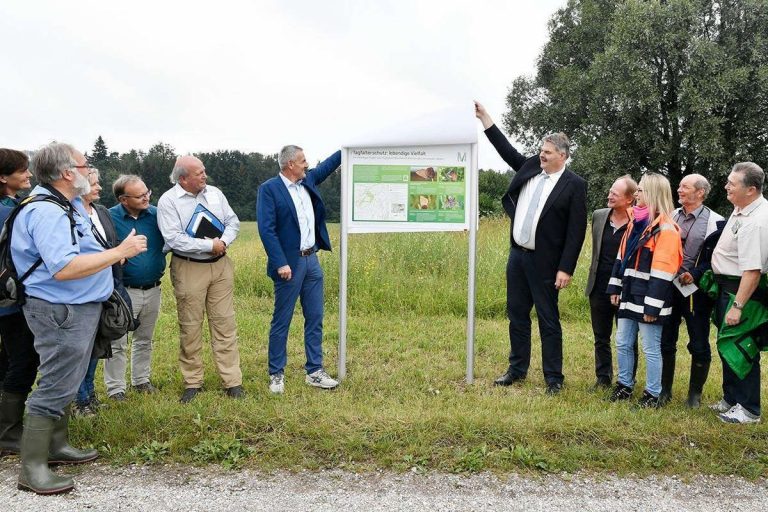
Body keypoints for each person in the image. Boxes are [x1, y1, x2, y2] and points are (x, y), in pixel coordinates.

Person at [10, 142, 146, 494]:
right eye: (85, 166)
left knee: (66, 382)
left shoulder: (65, 205)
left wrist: (109, 256)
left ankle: (56, 447)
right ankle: (32, 469)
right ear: (68, 173)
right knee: (56, 384)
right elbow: (65, 268)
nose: (89, 171)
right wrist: (120, 252)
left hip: (76, 307)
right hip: (61, 311)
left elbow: (81, 252)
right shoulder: (47, 212)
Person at [475, 101, 587, 395]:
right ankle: (517, 369)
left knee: (548, 320)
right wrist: (486, 119)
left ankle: (554, 378)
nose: (542, 154)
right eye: (541, 150)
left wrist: (566, 268)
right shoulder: (529, 168)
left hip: (547, 263)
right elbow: (506, 150)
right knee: (517, 315)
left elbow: (576, 232)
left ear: (562, 156)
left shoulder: (574, 185)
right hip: (518, 257)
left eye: (547, 152)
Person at [157, 155, 244, 403]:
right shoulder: (168, 201)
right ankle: (193, 382)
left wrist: (223, 242)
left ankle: (232, 381)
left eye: (204, 171)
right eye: (199, 173)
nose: (204, 176)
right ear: (183, 178)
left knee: (225, 324)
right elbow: (173, 238)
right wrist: (210, 246)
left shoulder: (215, 193)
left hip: (220, 266)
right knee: (191, 326)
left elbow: (233, 222)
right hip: (189, 267)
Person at [257, 145, 341, 394]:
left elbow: (327, 165)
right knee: (282, 320)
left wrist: (346, 148)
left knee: (315, 317)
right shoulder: (269, 189)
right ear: (290, 164)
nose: (307, 164)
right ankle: (276, 374)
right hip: (289, 264)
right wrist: (280, 262)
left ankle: (314, 371)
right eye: (303, 161)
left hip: (312, 260)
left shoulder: (308, 180)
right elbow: (267, 229)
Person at [607, 173, 683, 408]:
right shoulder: (635, 223)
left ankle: (653, 394)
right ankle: (624, 385)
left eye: (640, 190)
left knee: (650, 347)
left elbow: (663, 273)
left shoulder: (666, 229)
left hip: (649, 299)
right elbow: (621, 259)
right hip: (629, 294)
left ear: (652, 194)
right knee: (622, 341)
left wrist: (652, 307)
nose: (636, 194)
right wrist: (615, 286)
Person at [708, 162, 768, 424]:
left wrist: (739, 306)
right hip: (726, 288)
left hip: (742, 294)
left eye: (732, 184)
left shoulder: (757, 221)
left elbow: (753, 271)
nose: (726, 187)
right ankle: (731, 399)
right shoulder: (741, 209)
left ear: (751, 189)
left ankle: (749, 409)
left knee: (741, 347)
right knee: (726, 345)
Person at [659, 174, 723, 406]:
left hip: (696, 292)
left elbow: (716, 259)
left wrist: (694, 274)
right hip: (668, 288)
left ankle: (694, 395)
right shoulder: (670, 215)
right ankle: (664, 391)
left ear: (700, 193)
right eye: (679, 186)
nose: (679, 190)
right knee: (666, 338)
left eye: (684, 187)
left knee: (698, 341)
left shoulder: (716, 222)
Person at [104, 175, 166, 401]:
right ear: (123, 199)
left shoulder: (157, 214)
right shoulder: (109, 218)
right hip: (123, 290)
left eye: (147, 192)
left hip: (153, 288)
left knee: (144, 338)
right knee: (118, 341)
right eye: (140, 196)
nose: (146, 198)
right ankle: (116, 388)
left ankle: (141, 381)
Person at [73, 169, 121, 416]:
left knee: (97, 345)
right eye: (94, 183)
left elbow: (109, 244)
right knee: (81, 348)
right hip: (82, 290)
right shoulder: (69, 213)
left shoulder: (101, 212)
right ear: (79, 186)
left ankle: (90, 395)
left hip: (105, 288)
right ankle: (79, 401)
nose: (100, 188)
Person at [0, 149, 37, 456]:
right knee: (23, 361)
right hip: (10, 300)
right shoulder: (9, 211)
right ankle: (9, 433)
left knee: (8, 361)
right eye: (22, 171)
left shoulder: (11, 205)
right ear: (3, 177)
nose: (28, 175)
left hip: (6, 298)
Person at [585, 175, 637, 389]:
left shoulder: (638, 221)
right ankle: (603, 377)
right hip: (599, 284)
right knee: (601, 335)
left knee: (627, 339)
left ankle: (627, 379)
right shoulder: (599, 216)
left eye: (615, 194)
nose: (609, 196)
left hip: (626, 288)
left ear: (629, 199)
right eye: (610, 191)